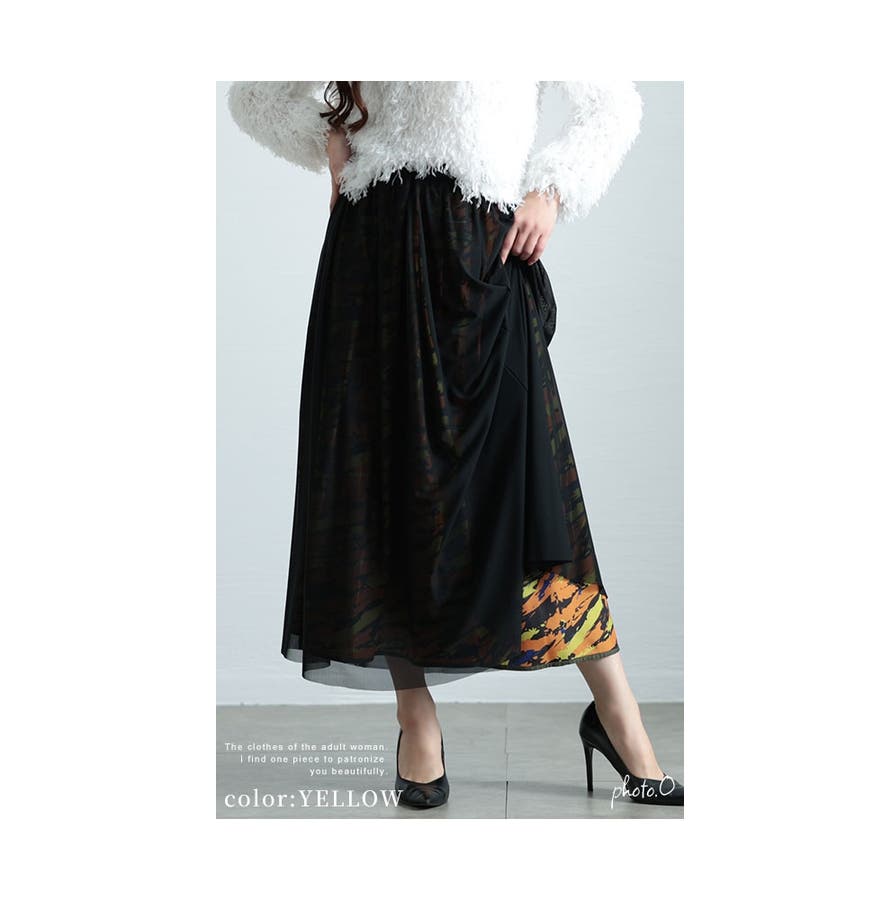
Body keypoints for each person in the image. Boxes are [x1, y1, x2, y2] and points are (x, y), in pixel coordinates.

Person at [227, 80, 683, 809]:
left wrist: (552, 190)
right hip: (372, 262)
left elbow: (613, 103)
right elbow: (254, 94)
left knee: (535, 498)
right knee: (385, 498)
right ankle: (417, 722)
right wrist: (327, 138)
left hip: (479, 259)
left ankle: (617, 715)